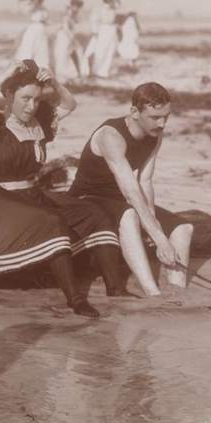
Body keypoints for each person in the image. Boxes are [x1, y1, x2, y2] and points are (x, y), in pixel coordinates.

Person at [0, 60, 130, 319]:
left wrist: (54, 82)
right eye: (25, 98)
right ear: (8, 96)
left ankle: (115, 289)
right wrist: (6, 72)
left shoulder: (38, 121)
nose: (31, 106)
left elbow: (69, 105)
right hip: (0, 201)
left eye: (36, 99)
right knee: (50, 222)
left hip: (34, 195)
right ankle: (75, 300)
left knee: (93, 213)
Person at [69, 82, 194, 296]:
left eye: (166, 116)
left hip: (118, 199)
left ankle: (177, 290)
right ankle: (152, 293)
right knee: (129, 215)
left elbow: (145, 181)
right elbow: (130, 191)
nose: (162, 123)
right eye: (155, 117)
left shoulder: (155, 134)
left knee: (184, 229)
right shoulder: (111, 136)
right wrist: (159, 238)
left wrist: (153, 225)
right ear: (135, 112)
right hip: (86, 199)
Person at [53, 0, 89, 81]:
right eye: (76, 6)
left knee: (76, 52)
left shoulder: (74, 14)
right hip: (64, 36)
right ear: (72, 5)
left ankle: (77, 72)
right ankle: (62, 73)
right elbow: (66, 28)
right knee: (64, 54)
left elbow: (74, 25)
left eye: (79, 7)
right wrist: (71, 38)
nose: (77, 9)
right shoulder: (68, 14)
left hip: (69, 36)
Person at [85, 0, 119, 78]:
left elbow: (118, 4)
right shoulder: (100, 9)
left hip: (111, 30)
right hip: (103, 30)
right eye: (111, 0)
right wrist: (95, 31)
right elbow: (94, 20)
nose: (112, 2)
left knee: (109, 51)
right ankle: (95, 70)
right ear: (107, 1)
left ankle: (103, 71)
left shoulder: (113, 9)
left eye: (112, 0)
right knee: (100, 51)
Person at [14, 0, 51, 68]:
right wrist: (32, 5)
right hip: (33, 27)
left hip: (40, 27)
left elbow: (45, 18)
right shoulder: (32, 7)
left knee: (40, 46)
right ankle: (26, 61)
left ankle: (39, 63)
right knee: (29, 45)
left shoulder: (44, 9)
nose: (36, 1)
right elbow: (27, 12)